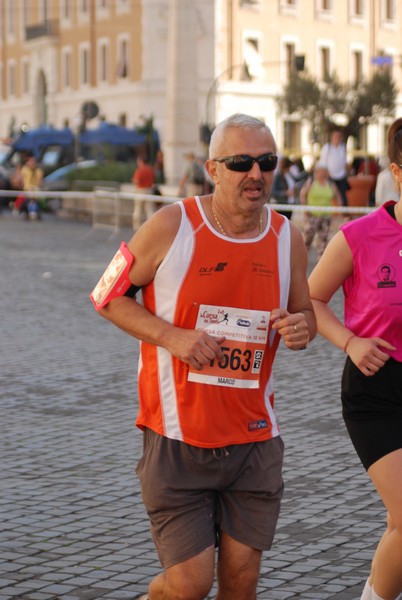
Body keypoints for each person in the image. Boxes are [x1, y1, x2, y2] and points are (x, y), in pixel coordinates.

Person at [90, 113, 316, 600]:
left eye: (267, 162)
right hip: (177, 439)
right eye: (241, 163)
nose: (256, 174)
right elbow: (106, 295)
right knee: (189, 584)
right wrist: (172, 337)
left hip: (254, 441)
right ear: (213, 169)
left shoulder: (286, 239)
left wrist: (303, 329)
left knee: (241, 585)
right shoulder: (172, 225)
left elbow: (305, 315)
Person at [308, 117, 402, 600]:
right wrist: (350, 341)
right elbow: (310, 301)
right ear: (397, 173)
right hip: (377, 390)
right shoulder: (359, 236)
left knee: (399, 522)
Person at [299, 162, 341, 260]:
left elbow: (338, 196)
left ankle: (321, 264)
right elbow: (302, 194)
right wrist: (305, 208)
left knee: (323, 241)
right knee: (307, 240)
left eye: (323, 172)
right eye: (319, 172)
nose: (321, 174)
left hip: (325, 216)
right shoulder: (311, 182)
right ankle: (300, 260)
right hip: (312, 216)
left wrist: (339, 211)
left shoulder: (330, 184)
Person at [320, 128, 349, 207]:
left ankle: (344, 213)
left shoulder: (342, 147)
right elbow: (323, 162)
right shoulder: (327, 148)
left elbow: (344, 161)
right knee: (330, 194)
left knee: (343, 194)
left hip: (341, 175)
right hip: (330, 175)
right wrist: (327, 174)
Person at [131, 155, 156, 230]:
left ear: (141, 161)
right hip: (148, 190)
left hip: (140, 190)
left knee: (138, 209)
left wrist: (133, 180)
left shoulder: (139, 170)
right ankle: (151, 226)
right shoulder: (150, 169)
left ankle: (136, 227)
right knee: (150, 210)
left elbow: (136, 181)